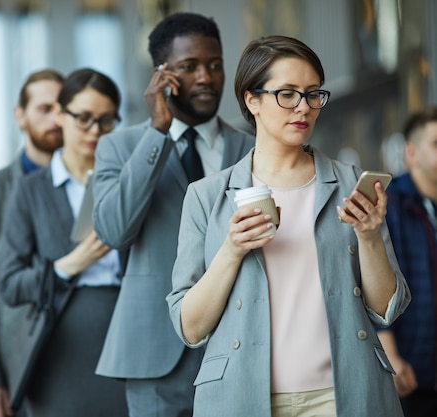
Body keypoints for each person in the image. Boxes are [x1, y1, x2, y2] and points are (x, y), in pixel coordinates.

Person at [166, 35, 411, 417]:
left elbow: (387, 310)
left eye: (313, 94)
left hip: (345, 394)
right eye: (287, 94)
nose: (304, 107)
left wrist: (368, 237)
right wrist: (231, 250)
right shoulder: (206, 196)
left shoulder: (352, 184)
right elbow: (191, 329)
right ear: (252, 100)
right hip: (241, 397)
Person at [91, 12, 254, 417]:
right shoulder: (121, 147)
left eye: (215, 64)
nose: (206, 77)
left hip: (242, 342)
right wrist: (157, 132)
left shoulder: (254, 149)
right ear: (162, 74)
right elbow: (114, 231)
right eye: (189, 66)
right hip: (155, 353)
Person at [0, 68, 128, 417]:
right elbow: (9, 284)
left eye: (106, 120)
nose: (94, 131)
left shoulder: (129, 184)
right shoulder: (31, 190)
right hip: (58, 350)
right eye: (83, 118)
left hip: (126, 338)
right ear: (60, 114)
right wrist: (67, 266)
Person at [0, 68, 63, 417]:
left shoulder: (98, 186)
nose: (56, 118)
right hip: (15, 364)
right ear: (20, 115)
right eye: (44, 108)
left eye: (63, 109)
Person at [377, 107, 437, 417]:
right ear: (411, 153)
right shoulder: (389, 207)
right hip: (412, 371)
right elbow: (377, 285)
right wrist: (392, 356)